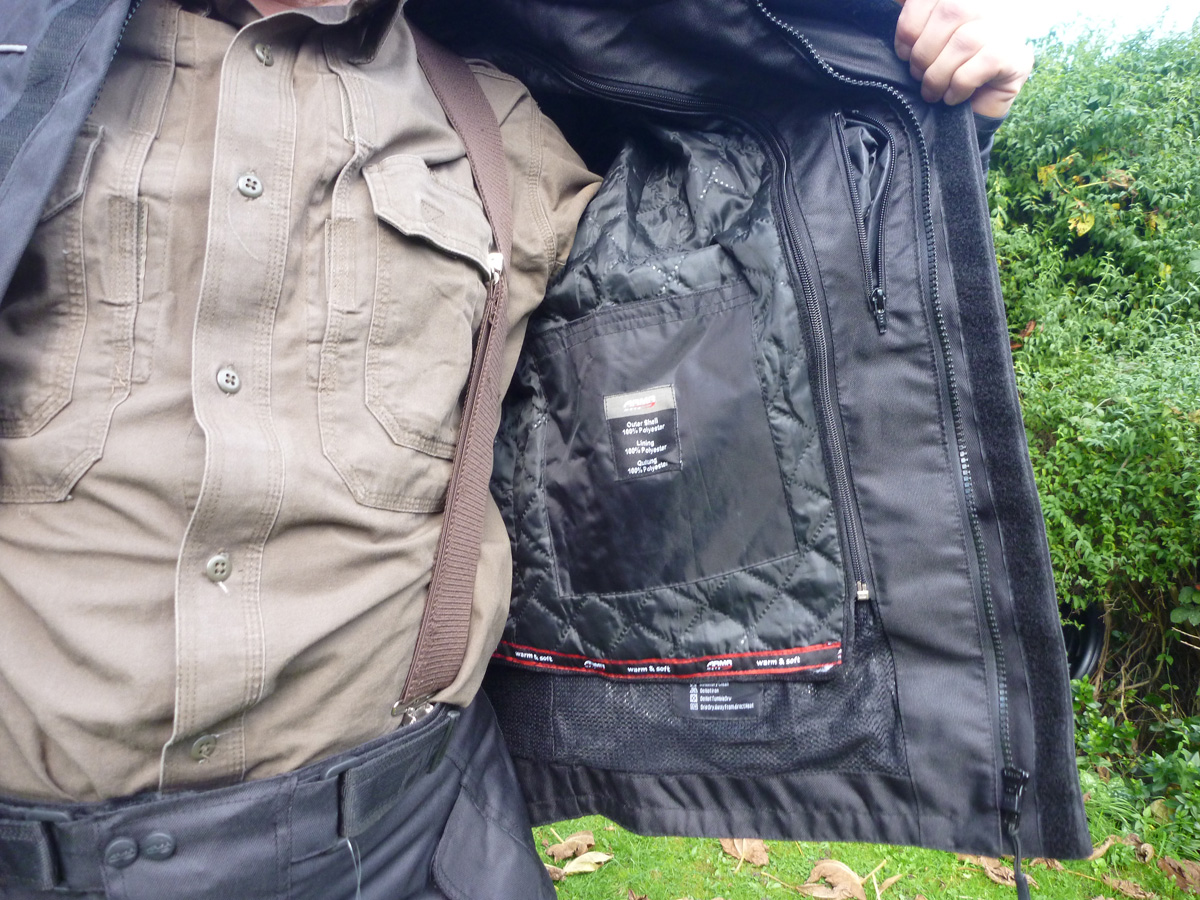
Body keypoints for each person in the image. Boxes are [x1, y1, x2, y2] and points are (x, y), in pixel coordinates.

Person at [0, 0, 1032, 897]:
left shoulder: (499, 126)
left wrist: (924, 103)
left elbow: (746, 269)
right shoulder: (29, 60)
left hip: (407, 835)